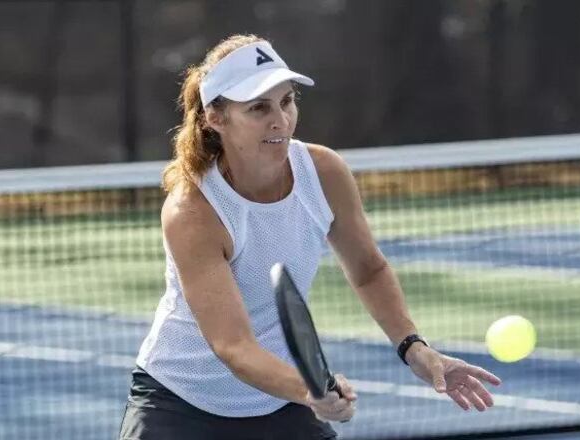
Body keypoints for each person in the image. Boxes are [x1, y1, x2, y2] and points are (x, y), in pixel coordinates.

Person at [118, 34, 502, 440]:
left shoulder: (324, 172)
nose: (280, 121)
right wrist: (310, 389)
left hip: (278, 401)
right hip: (180, 405)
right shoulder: (194, 211)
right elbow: (233, 346)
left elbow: (368, 269)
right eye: (258, 108)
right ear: (216, 118)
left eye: (287, 101)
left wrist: (414, 348)